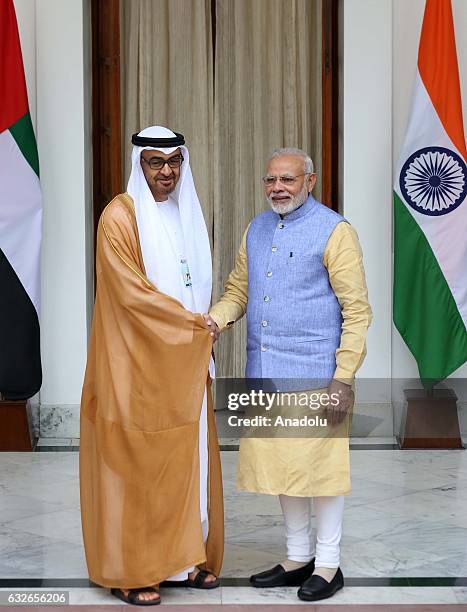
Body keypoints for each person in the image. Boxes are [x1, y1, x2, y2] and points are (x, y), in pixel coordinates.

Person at [208, 147, 372, 602]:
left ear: (310, 181)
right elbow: (239, 289)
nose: (277, 188)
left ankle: (329, 564)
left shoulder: (335, 231)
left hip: (318, 374)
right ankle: (297, 557)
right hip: (265, 372)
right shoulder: (257, 228)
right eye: (270, 180)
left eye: (288, 180)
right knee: (286, 469)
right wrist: (215, 321)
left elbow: (357, 310)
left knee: (321, 470)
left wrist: (343, 377)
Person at [80, 126, 224, 606]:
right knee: (141, 461)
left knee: (188, 458)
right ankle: (135, 569)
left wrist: (196, 332)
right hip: (139, 362)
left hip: (185, 360)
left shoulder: (188, 212)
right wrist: (191, 325)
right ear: (139, 165)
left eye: (174, 162)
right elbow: (129, 293)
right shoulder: (120, 217)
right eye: (155, 162)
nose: (166, 172)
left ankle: (186, 559)